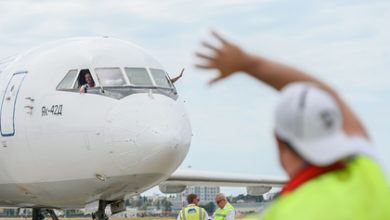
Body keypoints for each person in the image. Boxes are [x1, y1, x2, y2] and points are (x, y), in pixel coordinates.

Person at [196, 31, 390, 219]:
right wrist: (248, 63)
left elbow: (331, 96)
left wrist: (246, 64)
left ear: (278, 140)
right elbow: (331, 96)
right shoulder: (367, 174)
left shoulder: (279, 214)